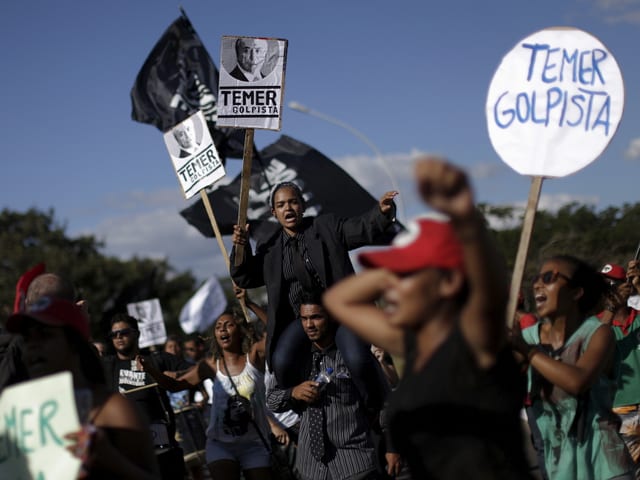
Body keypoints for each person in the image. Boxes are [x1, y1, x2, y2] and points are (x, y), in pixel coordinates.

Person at [323, 156, 532, 479]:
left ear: (447, 284)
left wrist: (463, 215)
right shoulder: (412, 345)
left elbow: (486, 287)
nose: (390, 288)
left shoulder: (472, 344)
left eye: (405, 277)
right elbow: (337, 299)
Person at [230, 181, 398, 410]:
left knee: (358, 360)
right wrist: (241, 249)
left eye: (293, 202)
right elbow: (245, 278)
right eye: (281, 205)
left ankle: (376, 410)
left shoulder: (326, 226)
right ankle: (305, 410)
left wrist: (382, 212)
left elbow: (361, 228)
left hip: (340, 314)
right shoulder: (269, 247)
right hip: (302, 319)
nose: (288, 208)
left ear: (303, 205)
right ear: (274, 212)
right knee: (281, 362)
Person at [6, 296, 160, 479]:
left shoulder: (112, 411)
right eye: (27, 339)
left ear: (74, 343)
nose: (33, 347)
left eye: (45, 335)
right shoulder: (20, 415)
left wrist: (109, 459)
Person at [511, 254, 635, 479]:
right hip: (561, 469)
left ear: (576, 292)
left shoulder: (599, 333)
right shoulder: (527, 337)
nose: (538, 283)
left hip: (606, 467)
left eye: (549, 277)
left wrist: (527, 351)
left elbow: (578, 381)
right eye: (537, 278)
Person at [141, 300, 282, 480]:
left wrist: (249, 303)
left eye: (228, 325)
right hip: (220, 445)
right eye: (218, 327)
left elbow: (274, 332)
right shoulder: (210, 365)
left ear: (240, 331)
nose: (222, 329)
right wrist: (151, 370)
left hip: (254, 443)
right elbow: (174, 386)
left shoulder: (254, 357)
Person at [267, 291, 400, 480]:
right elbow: (272, 401)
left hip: (354, 463)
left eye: (316, 317)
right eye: (304, 319)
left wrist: (391, 447)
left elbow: (385, 402)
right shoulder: (295, 359)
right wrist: (293, 393)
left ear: (330, 317)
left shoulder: (353, 358)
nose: (309, 325)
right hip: (311, 468)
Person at [101, 313, 192, 480]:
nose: (118, 337)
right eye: (114, 334)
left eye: (124, 332)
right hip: (129, 453)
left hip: (164, 451)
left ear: (136, 333)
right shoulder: (107, 365)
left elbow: (197, 369)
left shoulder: (158, 359)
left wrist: (175, 374)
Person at [599, 260, 640, 473]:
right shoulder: (597, 324)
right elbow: (593, 345)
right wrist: (611, 308)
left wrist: (639, 286)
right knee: (628, 470)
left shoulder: (638, 316)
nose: (609, 289)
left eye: (613, 284)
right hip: (621, 409)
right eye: (604, 285)